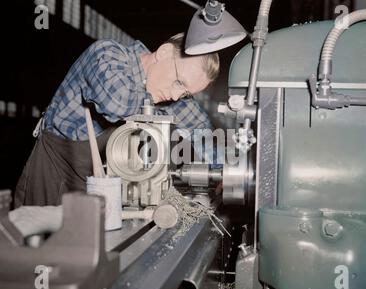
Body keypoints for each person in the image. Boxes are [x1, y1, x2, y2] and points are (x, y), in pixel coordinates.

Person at [14, 33, 220, 207]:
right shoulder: (107, 54)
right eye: (179, 82)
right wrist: (161, 112)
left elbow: (201, 129)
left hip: (102, 187)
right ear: (164, 52)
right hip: (54, 175)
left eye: (185, 93)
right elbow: (118, 103)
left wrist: (224, 168)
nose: (176, 97)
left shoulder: (165, 91)